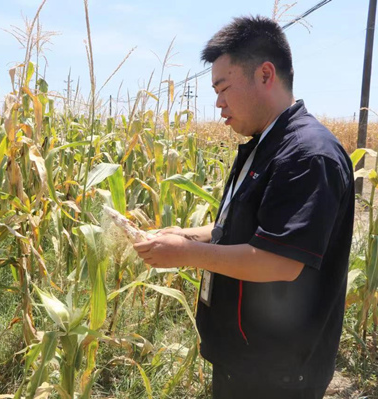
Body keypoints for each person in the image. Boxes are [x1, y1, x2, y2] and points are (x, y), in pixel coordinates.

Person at [134, 16, 354, 399]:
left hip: (278, 374)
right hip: (244, 361)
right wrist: (180, 234)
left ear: (265, 74)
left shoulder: (307, 155)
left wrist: (186, 253)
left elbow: (278, 261)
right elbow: (239, 228)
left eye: (223, 88)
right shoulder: (263, 143)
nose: (217, 102)